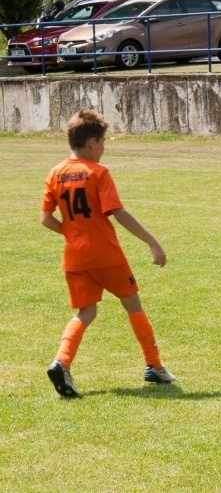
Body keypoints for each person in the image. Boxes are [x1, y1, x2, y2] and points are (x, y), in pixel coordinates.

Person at [41, 109, 176, 398]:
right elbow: (116, 212)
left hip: (74, 258)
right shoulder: (98, 173)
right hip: (105, 255)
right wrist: (152, 242)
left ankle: (61, 362)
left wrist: (73, 233)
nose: (104, 148)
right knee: (133, 305)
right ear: (91, 142)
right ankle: (154, 366)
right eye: (102, 142)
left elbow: (46, 218)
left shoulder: (54, 173)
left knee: (86, 311)